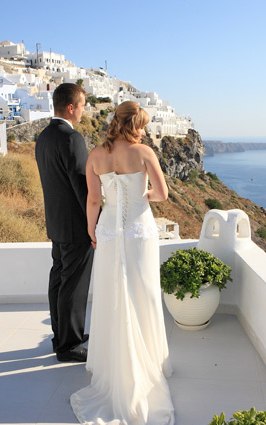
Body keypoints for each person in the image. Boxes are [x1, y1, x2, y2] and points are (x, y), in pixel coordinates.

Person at [70, 101, 174, 424]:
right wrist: (144, 198)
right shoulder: (144, 153)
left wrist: (92, 229)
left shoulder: (96, 156)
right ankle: (150, 362)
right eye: (141, 125)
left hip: (109, 233)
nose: (144, 131)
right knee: (143, 293)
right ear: (132, 125)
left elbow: (93, 199)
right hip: (140, 231)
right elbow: (163, 193)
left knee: (111, 296)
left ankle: (112, 364)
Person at [35, 83, 93, 363]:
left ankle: (62, 335)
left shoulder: (44, 136)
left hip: (56, 223)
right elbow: (82, 187)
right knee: (74, 284)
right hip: (75, 225)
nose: (84, 110)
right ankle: (70, 345)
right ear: (71, 107)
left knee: (58, 279)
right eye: (82, 105)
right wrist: (94, 224)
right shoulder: (72, 139)